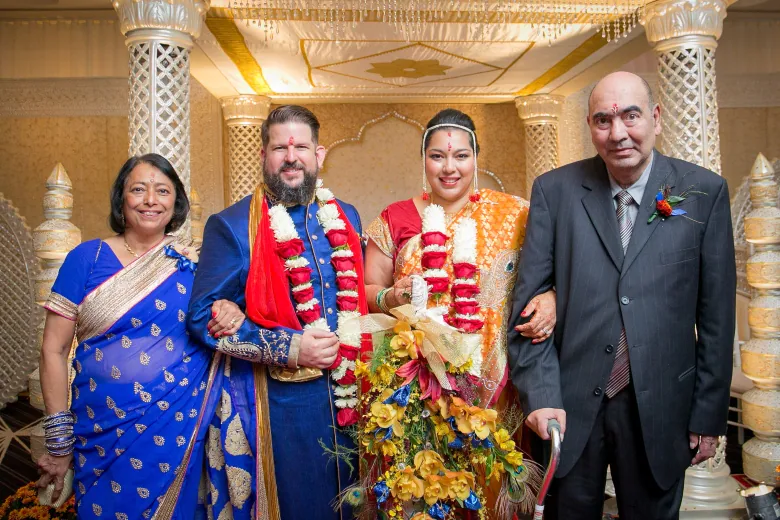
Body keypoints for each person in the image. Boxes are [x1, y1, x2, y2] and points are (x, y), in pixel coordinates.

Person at [508, 71, 736, 519]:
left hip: (663, 407)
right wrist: (541, 395)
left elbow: (716, 317)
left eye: (631, 116)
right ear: (590, 127)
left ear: (655, 117)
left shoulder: (702, 192)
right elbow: (527, 309)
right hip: (569, 406)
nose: (618, 134)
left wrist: (708, 417)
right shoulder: (555, 192)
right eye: (602, 120)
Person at [363, 108, 556, 513]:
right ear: (423, 160)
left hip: (497, 387)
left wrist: (552, 296)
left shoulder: (516, 214)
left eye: (461, 156)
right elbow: (367, 291)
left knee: (489, 491)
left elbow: (551, 270)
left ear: (476, 158)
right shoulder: (395, 218)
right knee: (422, 490)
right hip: (416, 388)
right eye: (437, 156)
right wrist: (392, 297)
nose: (449, 168)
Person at [37, 153, 244, 519]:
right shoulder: (86, 258)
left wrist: (231, 309)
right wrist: (58, 441)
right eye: (138, 189)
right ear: (121, 199)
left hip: (175, 429)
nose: (151, 200)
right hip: (100, 434)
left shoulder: (196, 264)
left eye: (162, 190)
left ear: (175, 202)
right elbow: (53, 349)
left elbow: (225, 319)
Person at [187, 105, 367, 520]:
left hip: (353, 393)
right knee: (303, 505)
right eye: (279, 147)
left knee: (357, 502)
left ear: (319, 154)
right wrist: (291, 347)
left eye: (301, 146)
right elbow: (200, 316)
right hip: (283, 404)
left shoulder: (346, 215)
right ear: (264, 155)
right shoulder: (232, 225)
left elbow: (357, 297)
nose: (291, 157)